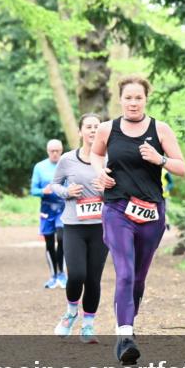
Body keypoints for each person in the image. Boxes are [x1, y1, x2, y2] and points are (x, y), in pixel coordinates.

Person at [92, 75, 185, 364]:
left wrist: (159, 159)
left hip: (151, 212)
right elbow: (96, 155)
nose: (133, 103)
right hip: (117, 209)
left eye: (138, 98)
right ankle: (125, 336)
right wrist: (100, 173)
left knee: (138, 277)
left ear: (146, 99)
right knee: (124, 272)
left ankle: (126, 324)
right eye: (128, 98)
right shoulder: (108, 129)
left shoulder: (161, 129)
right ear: (120, 99)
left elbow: (181, 167)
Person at [50, 113, 108, 343]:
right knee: (76, 275)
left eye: (97, 127)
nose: (93, 130)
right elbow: (54, 185)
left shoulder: (108, 160)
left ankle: (88, 326)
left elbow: (120, 190)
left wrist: (106, 191)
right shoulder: (67, 159)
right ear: (81, 131)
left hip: (100, 227)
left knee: (93, 279)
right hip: (74, 225)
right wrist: (67, 192)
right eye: (89, 127)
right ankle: (70, 313)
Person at [31, 139, 66, 289]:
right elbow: (33, 190)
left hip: (64, 207)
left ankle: (62, 274)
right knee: (50, 242)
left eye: (57, 151)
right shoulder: (40, 167)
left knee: (62, 237)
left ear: (61, 151)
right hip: (46, 209)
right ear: (47, 151)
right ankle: (53, 275)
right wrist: (42, 191)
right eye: (52, 151)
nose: (55, 154)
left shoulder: (67, 164)